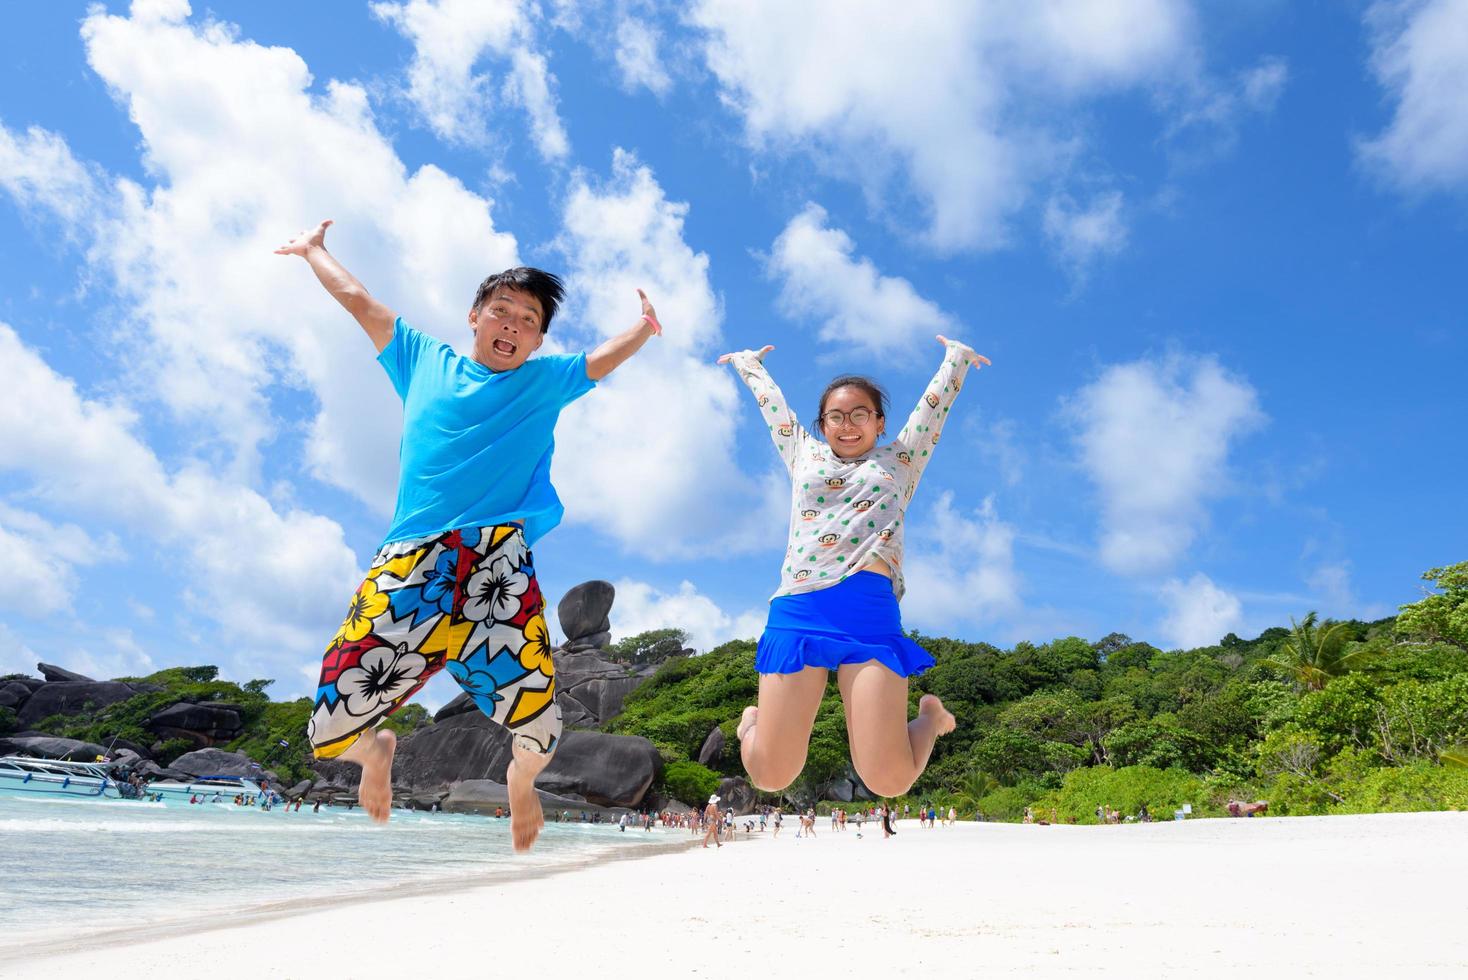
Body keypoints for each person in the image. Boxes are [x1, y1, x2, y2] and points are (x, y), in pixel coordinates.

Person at [278, 220, 662, 850]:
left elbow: (600, 360)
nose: (512, 326)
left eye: (529, 321)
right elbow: (359, 301)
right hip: (411, 563)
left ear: (539, 340)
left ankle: (520, 780)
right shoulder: (422, 358)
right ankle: (377, 752)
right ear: (475, 316)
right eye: (502, 311)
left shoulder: (544, 382)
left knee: (540, 732)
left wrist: (644, 328)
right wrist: (316, 252)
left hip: (496, 569)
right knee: (328, 734)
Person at [722, 339, 988, 801]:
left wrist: (956, 361)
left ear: (879, 422)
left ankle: (929, 716)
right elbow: (773, 410)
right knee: (770, 775)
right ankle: (752, 724)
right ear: (822, 425)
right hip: (799, 612)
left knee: (890, 781)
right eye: (836, 417)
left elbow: (931, 414)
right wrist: (750, 367)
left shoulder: (899, 462)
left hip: (869, 617)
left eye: (860, 414)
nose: (848, 425)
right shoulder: (804, 455)